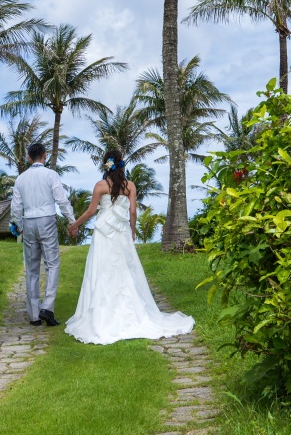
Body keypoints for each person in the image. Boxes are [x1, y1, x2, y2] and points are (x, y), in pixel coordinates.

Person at [64, 147, 194, 345]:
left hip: (103, 233)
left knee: (102, 270)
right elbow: (133, 211)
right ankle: (131, 310)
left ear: (106, 165)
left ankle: (101, 313)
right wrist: (132, 230)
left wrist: (74, 225)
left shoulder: (100, 186)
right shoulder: (130, 186)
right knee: (125, 270)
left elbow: (91, 212)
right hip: (121, 232)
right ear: (121, 164)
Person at [10, 140, 76, 327]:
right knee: (52, 264)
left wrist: (18, 224)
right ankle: (47, 307)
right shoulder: (51, 175)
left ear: (29, 158)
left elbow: (16, 206)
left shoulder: (20, 178)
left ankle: (34, 315)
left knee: (31, 268)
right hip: (47, 219)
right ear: (45, 156)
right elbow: (61, 200)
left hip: (29, 222)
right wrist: (72, 221)